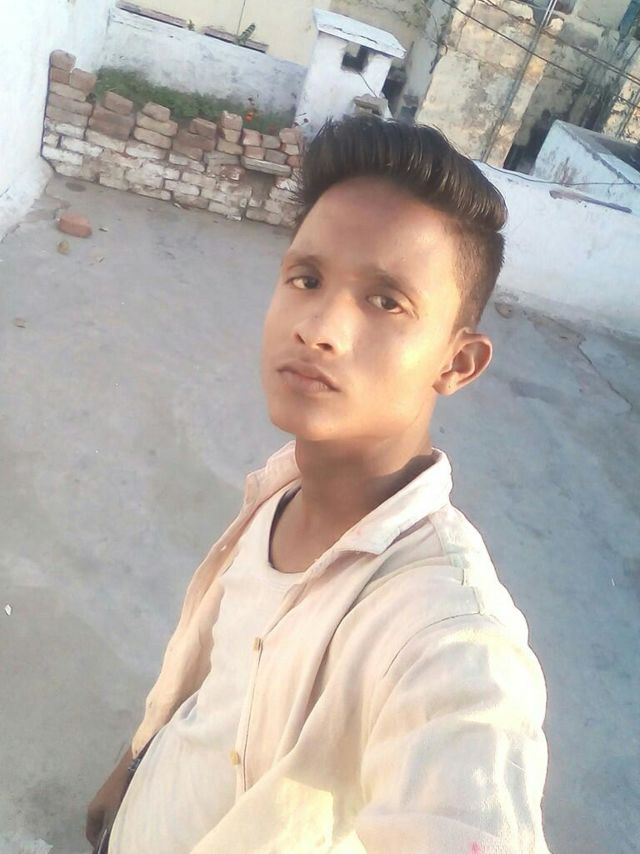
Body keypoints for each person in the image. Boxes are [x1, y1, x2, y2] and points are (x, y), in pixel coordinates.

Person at [86, 115, 550, 853]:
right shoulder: (279, 490)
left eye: (386, 301)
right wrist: (133, 763)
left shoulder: (450, 633)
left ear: (456, 363)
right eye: (306, 279)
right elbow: (212, 679)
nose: (318, 328)